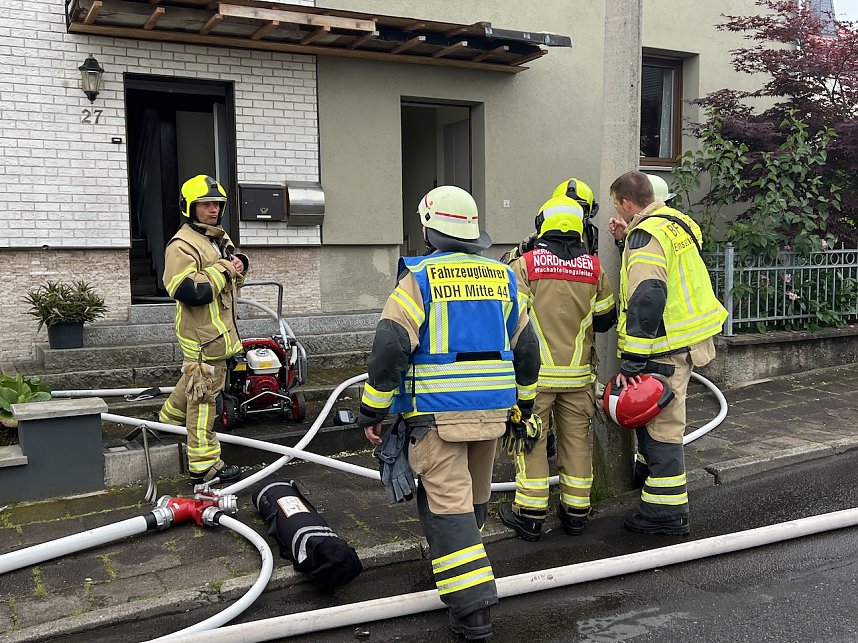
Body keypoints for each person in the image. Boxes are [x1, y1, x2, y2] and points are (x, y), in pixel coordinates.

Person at [358, 185, 540, 640]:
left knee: (447, 508)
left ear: (427, 228)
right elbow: (528, 348)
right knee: (474, 500)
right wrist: (525, 403)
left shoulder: (418, 279)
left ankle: (473, 611)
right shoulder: (503, 277)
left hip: (437, 416)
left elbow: (391, 346)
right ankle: (465, 565)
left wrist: (372, 410)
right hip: (493, 412)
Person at [607, 170, 726, 535]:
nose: (619, 212)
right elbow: (668, 270)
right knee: (660, 420)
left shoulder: (646, 235)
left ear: (628, 203)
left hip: (664, 346)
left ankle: (665, 513)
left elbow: (648, 295)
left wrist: (633, 357)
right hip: (689, 340)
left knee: (664, 427)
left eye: (618, 206)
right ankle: (649, 477)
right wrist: (626, 241)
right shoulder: (676, 225)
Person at [498, 195, 616, 541]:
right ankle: (576, 513)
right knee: (577, 443)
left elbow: (511, 321)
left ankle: (531, 516)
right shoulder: (594, 269)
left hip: (534, 381)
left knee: (531, 441)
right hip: (578, 377)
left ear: (542, 225)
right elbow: (606, 319)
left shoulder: (527, 266)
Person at [158, 175, 248, 484]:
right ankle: (204, 464)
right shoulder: (182, 245)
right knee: (204, 401)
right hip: (202, 338)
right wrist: (225, 269)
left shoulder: (218, 238)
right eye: (205, 204)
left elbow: (232, 277)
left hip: (219, 335)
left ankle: (167, 421)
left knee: (193, 385)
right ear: (190, 208)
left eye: (216, 204)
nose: (212, 210)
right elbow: (188, 290)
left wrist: (240, 265)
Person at [501, 177, 600, 262]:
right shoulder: (539, 236)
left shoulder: (594, 237)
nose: (572, 214)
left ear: (591, 211)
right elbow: (507, 261)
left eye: (579, 208)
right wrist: (524, 249)